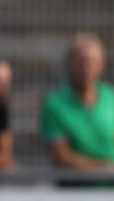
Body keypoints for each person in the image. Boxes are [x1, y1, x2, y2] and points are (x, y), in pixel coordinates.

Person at [41, 33, 114, 169]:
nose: (85, 69)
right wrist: (106, 169)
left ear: (101, 65)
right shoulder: (55, 105)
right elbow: (62, 157)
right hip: (75, 189)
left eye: (91, 62)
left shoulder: (111, 98)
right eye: (80, 62)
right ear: (68, 64)